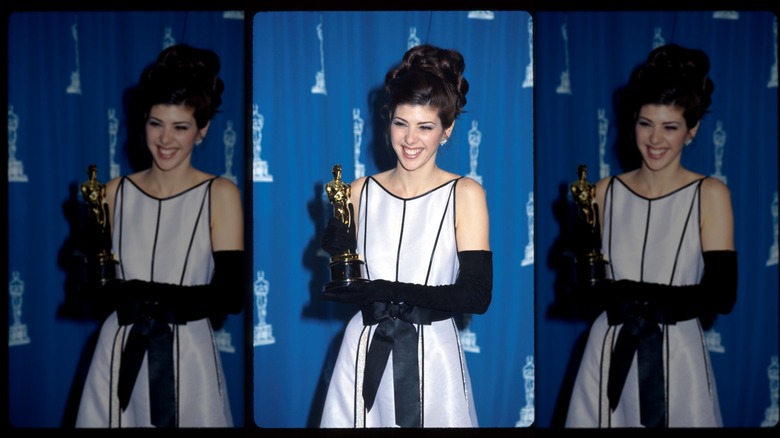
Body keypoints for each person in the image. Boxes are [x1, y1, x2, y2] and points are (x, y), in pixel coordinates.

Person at [319, 44, 492, 428]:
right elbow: (348, 276)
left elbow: (476, 296)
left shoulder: (465, 194)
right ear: (388, 122)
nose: (410, 139)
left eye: (426, 126)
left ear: (446, 130)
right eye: (401, 123)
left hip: (435, 356)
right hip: (363, 349)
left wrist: (385, 291)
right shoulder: (357, 191)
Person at [565, 44, 737, 428]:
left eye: (670, 126)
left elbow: (721, 295)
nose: (655, 139)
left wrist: (626, 293)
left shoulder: (710, 194)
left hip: (679, 355)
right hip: (607, 349)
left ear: (691, 131)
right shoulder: (601, 191)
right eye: (646, 123)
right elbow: (586, 289)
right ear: (633, 124)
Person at [75, 44, 244, 428]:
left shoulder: (220, 194)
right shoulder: (111, 192)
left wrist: (138, 295)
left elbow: (229, 296)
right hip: (118, 350)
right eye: (156, 123)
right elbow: (93, 286)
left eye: (180, 126)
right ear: (142, 123)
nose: (166, 139)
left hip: (190, 356)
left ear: (202, 130)